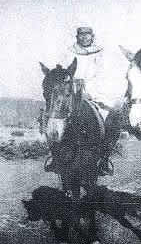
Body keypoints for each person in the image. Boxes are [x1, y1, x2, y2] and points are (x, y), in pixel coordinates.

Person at [45, 27, 122, 176]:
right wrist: (71, 86)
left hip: (95, 93)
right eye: (81, 35)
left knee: (112, 118)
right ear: (77, 36)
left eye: (87, 35)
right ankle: (54, 156)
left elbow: (103, 74)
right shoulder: (68, 52)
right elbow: (63, 73)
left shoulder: (100, 53)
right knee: (54, 116)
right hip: (71, 92)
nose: (85, 38)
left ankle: (104, 159)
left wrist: (89, 91)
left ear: (92, 36)